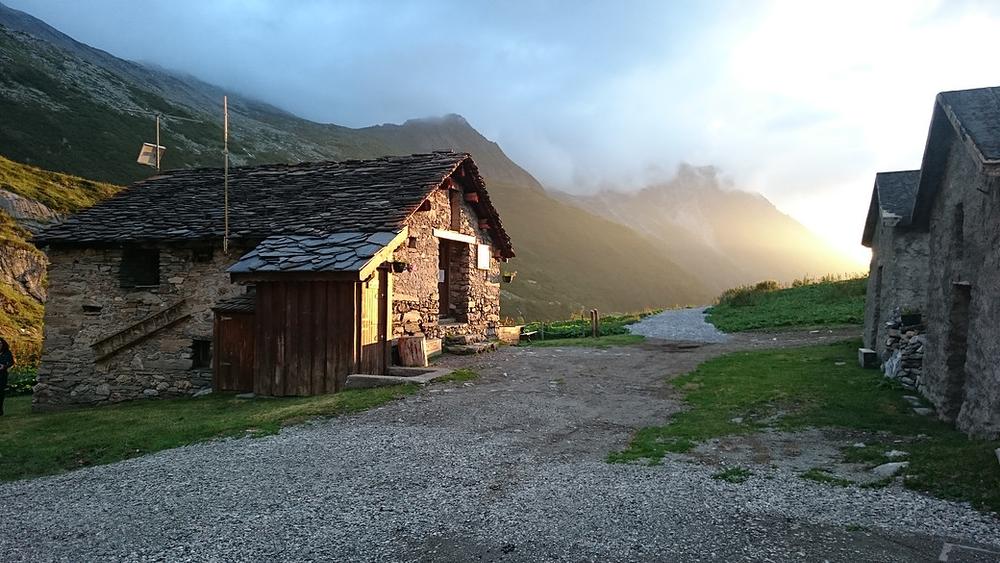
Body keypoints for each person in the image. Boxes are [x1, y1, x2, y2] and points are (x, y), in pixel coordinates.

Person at [0, 337, 13, 416]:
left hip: (2, 375)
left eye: (0, 343)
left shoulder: (7, 352)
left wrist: (4, 366)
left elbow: (11, 362)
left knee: (1, 393)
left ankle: (0, 410)